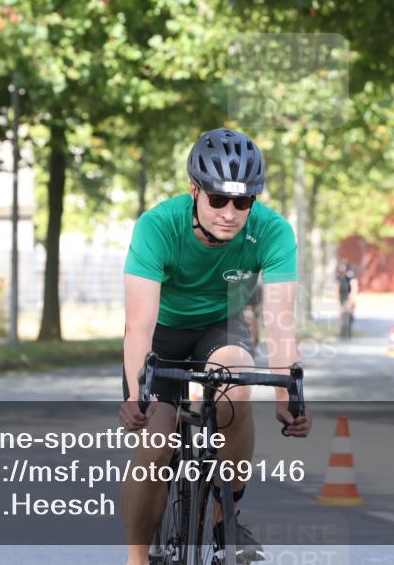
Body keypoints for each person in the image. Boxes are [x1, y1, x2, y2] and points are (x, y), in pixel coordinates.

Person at [117, 128, 312, 565]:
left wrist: (288, 395)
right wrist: (136, 394)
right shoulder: (158, 226)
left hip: (220, 325)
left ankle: (227, 516)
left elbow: (281, 326)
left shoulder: (273, 232)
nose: (230, 212)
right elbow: (139, 325)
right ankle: (136, 559)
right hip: (162, 334)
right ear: (194, 192)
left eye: (242, 202)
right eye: (218, 199)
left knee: (235, 384)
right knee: (155, 444)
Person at [335, 261, 359, 339]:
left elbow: (354, 286)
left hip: (349, 295)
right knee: (341, 312)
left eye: (344, 271)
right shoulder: (338, 277)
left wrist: (352, 299)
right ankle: (341, 329)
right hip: (342, 296)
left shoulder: (351, 276)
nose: (343, 273)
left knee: (351, 308)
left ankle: (351, 322)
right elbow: (336, 288)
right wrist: (338, 300)